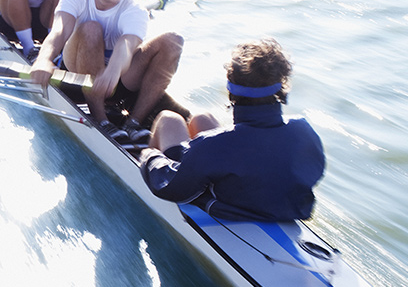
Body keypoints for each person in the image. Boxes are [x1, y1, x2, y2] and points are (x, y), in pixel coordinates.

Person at [139, 38, 326, 221]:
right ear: (281, 86)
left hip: (228, 208)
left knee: (168, 119)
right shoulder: (304, 130)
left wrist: (150, 157)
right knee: (202, 118)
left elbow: (172, 189)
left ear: (231, 90)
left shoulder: (212, 145)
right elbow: (314, 172)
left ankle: (138, 158)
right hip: (286, 210)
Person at [29, 0, 183, 142]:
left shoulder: (134, 9)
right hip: (77, 74)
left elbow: (127, 44)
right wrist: (43, 60)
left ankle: (134, 122)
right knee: (91, 28)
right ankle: (101, 119)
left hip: (117, 78)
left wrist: (113, 70)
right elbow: (59, 30)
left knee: (173, 41)